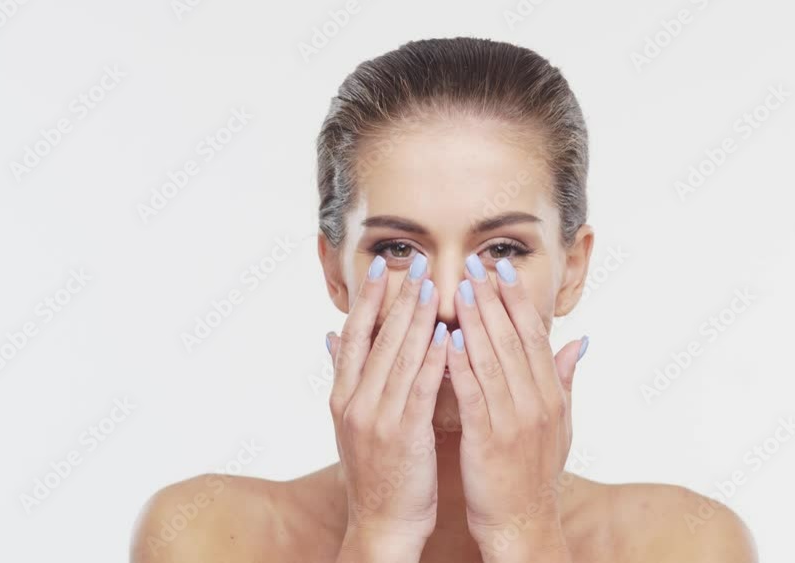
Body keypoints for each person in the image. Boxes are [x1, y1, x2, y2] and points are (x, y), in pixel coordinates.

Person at [130, 36, 756, 563]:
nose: (451, 301)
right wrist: (380, 532)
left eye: (504, 249)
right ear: (334, 271)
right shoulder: (207, 534)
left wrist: (525, 531)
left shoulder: (686, 544)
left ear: (572, 269)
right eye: (398, 248)